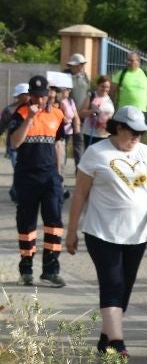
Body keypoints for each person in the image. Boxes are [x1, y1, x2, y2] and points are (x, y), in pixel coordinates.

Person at [65, 106, 147, 356]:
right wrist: (71, 231)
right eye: (132, 131)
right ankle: (117, 342)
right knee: (112, 283)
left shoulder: (146, 153)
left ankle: (106, 336)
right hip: (101, 233)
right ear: (119, 127)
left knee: (124, 287)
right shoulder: (96, 153)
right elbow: (80, 194)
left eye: (141, 132)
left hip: (137, 234)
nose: (137, 137)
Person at [8, 75, 68, 287]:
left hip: (50, 176)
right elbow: (15, 143)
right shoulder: (20, 113)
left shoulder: (58, 115)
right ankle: (26, 269)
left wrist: (59, 175)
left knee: (54, 223)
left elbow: (59, 146)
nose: (39, 100)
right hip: (27, 176)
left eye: (42, 96)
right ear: (30, 96)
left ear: (48, 95)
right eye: (35, 96)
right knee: (27, 223)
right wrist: (29, 119)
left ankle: (51, 270)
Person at [79, 74, 115, 149]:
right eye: (102, 86)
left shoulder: (110, 99)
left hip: (105, 134)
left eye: (107, 87)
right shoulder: (91, 96)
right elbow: (81, 113)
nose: (105, 89)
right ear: (98, 85)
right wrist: (92, 111)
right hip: (90, 134)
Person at [66, 53, 89, 162]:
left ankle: (78, 169)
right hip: (67, 114)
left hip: (81, 115)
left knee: (79, 143)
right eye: (79, 65)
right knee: (63, 141)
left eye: (82, 65)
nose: (81, 67)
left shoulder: (85, 77)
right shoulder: (65, 77)